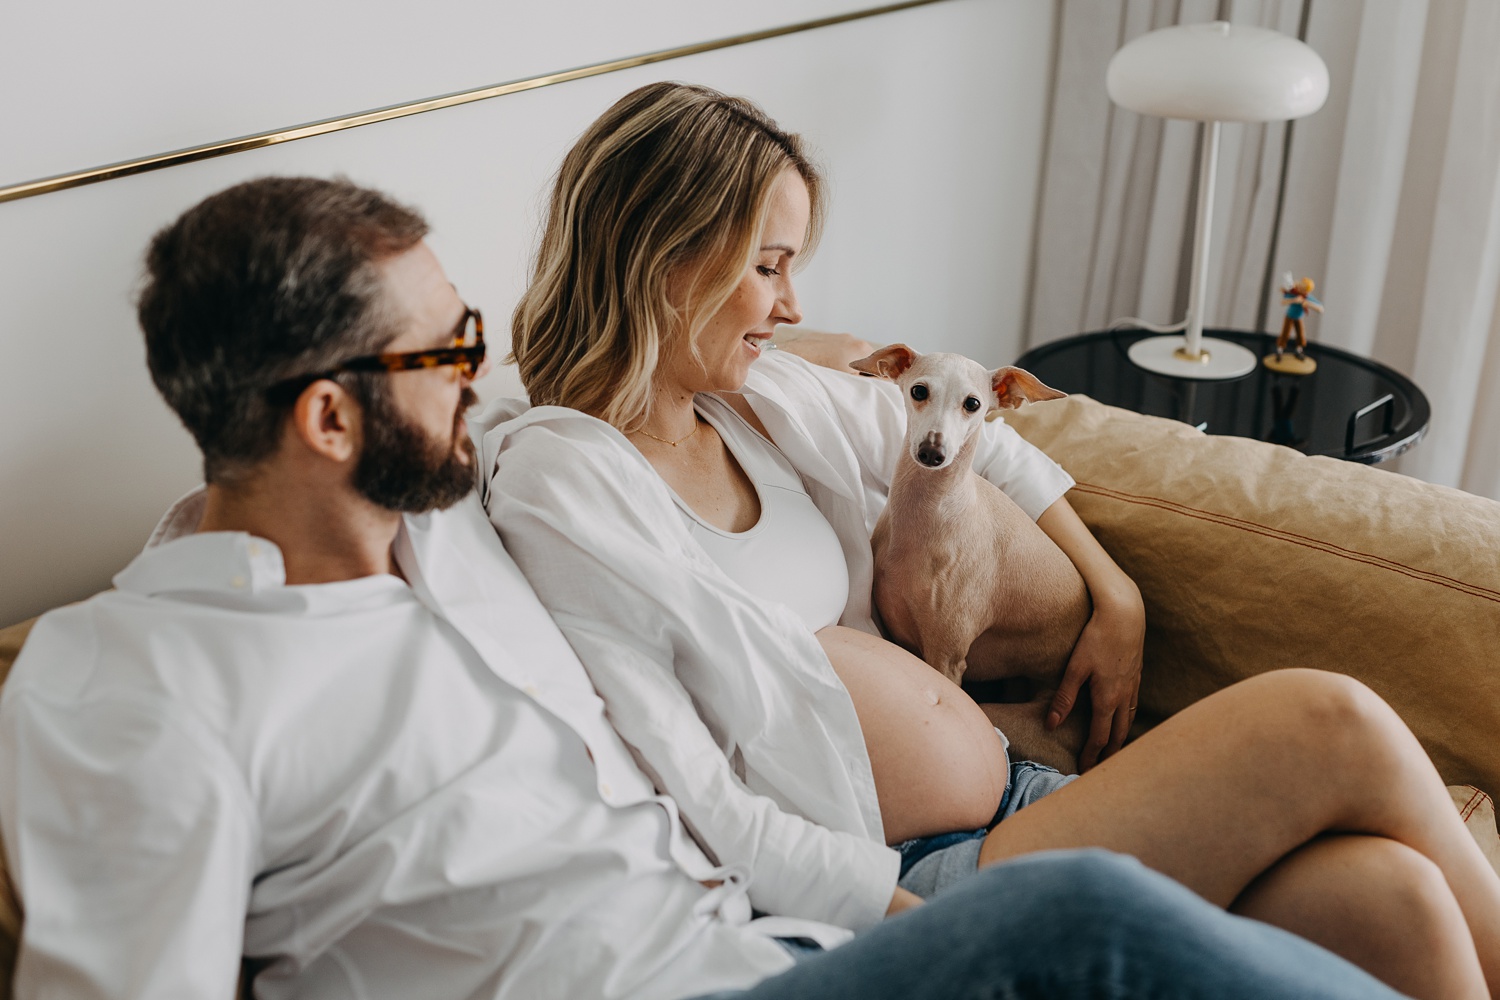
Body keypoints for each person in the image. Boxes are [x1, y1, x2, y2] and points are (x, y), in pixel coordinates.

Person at [0, 175, 1412, 1000]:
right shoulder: (139, 676)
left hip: (766, 949)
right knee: (1082, 917)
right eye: (445, 357)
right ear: (324, 420)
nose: (480, 377)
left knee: (1373, 903)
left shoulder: (466, 521)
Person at [482, 81, 1500, 1000]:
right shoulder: (564, 478)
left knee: (1393, 895)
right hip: (911, 874)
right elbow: (699, 795)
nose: (792, 308)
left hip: (1019, 797)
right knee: (1326, 720)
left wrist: (1116, 591)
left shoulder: (758, 401)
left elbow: (982, 441)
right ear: (666, 256)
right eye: (769, 266)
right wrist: (944, 939)